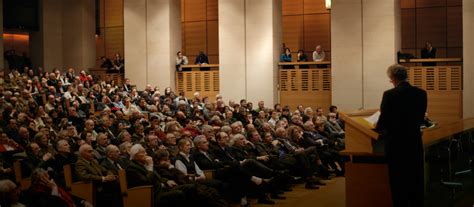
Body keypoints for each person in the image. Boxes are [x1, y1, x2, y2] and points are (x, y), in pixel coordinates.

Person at [376, 64, 427, 207]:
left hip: (396, 145)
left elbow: (382, 124)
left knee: (398, 183)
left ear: (393, 78)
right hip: (414, 142)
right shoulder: (421, 93)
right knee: (416, 179)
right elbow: (420, 119)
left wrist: (377, 126)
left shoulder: (389, 95)